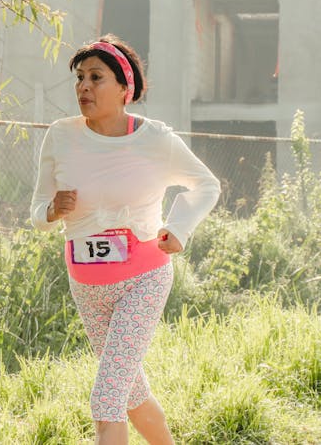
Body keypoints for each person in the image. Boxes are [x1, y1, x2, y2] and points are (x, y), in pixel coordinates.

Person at [30, 34, 220, 445]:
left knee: (106, 398)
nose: (83, 87)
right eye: (79, 78)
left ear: (124, 87)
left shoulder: (155, 140)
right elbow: (37, 213)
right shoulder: (60, 136)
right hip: (86, 287)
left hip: (144, 279)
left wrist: (179, 228)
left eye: (96, 78)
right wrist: (52, 209)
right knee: (131, 394)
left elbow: (205, 185)